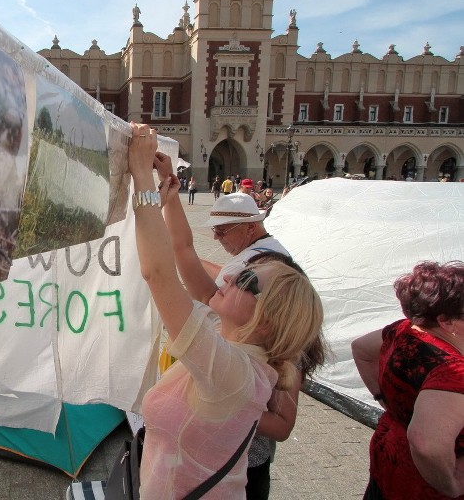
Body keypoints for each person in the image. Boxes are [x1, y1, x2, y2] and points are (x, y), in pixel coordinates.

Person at [128, 123, 324, 499]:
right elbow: (180, 257)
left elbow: (159, 275)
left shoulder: (233, 370)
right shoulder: (239, 353)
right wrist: (168, 196)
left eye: (248, 282)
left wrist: (142, 178)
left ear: (265, 319)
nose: (232, 279)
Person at [351, 261, 464, 500]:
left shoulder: (406, 330)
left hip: (388, 461)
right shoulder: (454, 373)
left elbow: (360, 349)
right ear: (447, 322)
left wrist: (384, 399)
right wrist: (451, 486)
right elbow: (426, 445)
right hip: (423, 486)